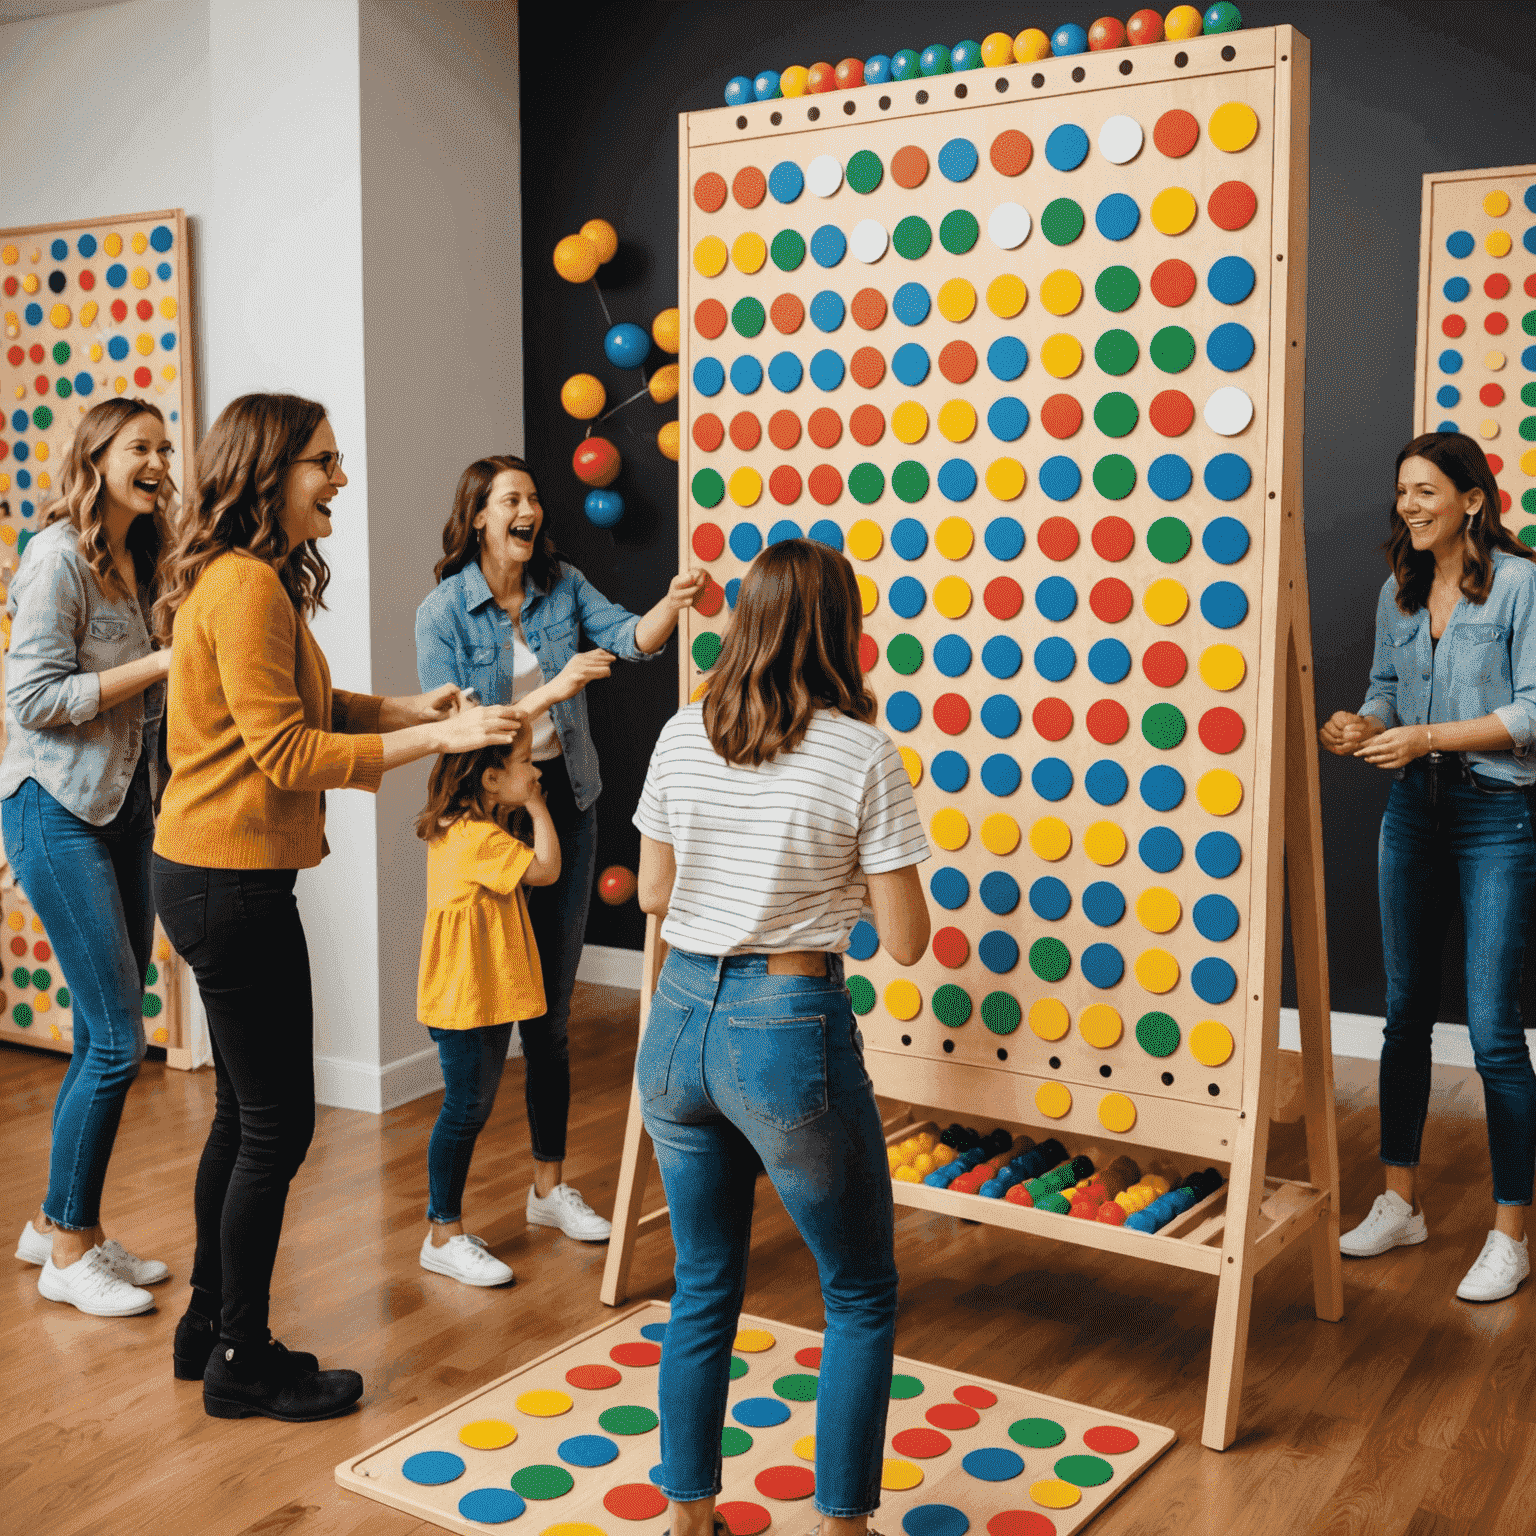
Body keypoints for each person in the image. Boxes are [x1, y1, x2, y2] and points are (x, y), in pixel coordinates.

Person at [151, 393, 523, 1422]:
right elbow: (289, 754)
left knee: (242, 1113)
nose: (341, 479)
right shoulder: (244, 588)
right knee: (278, 1125)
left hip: (210, 874)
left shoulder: (244, 582)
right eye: (324, 461)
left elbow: (306, 713)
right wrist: (437, 746)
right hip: (229, 885)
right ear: (268, 471)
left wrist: (414, 708)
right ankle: (244, 1357)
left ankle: (207, 1326)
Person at [632, 538, 931, 1536]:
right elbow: (904, 937)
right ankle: (841, 1527)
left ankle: (689, 1520)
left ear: (745, 623)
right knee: (858, 1290)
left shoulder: (682, 733)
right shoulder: (862, 751)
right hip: (786, 1030)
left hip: (677, 1025)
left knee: (705, 1281)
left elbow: (659, 895)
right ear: (841, 632)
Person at [416, 454, 705, 1244]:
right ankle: (446, 1222)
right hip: (485, 815)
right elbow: (458, 731)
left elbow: (630, 641)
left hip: (559, 807)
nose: (530, 509)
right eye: (513, 498)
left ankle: (549, 1185)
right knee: (482, 1015)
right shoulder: (442, 613)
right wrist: (550, 690)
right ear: (478, 515)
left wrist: (672, 606)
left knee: (549, 1014)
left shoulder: (562, 584)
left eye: (535, 497)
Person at [1322, 431, 1536, 1304]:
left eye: (1426, 492)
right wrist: (1363, 723)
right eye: (1403, 491)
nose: (1409, 505)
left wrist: (1430, 735)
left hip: (1496, 817)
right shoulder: (1398, 592)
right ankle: (1400, 1201)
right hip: (1412, 811)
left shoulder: (1523, 586)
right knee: (1404, 1015)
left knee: (1491, 1031)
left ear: (1472, 500)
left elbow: (1530, 713)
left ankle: (1510, 1233)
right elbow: (1384, 686)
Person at [3, 399, 174, 1318]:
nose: (157, 461)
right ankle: (68, 1254)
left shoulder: (145, 557)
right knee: (118, 1038)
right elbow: (30, 698)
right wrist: (158, 664)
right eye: (139, 447)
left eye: (163, 447)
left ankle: (61, 1219)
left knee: (97, 1031)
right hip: (50, 806)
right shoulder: (56, 557)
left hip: (122, 808)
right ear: (96, 457)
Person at [414, 724, 564, 1286]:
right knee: (464, 1110)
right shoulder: (478, 838)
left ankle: (446, 1227)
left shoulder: (465, 826)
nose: (537, 772)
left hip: (478, 994)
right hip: (467, 998)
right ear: (493, 776)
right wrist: (539, 808)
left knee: (468, 1106)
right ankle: (442, 1234)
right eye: (527, 764)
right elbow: (547, 869)